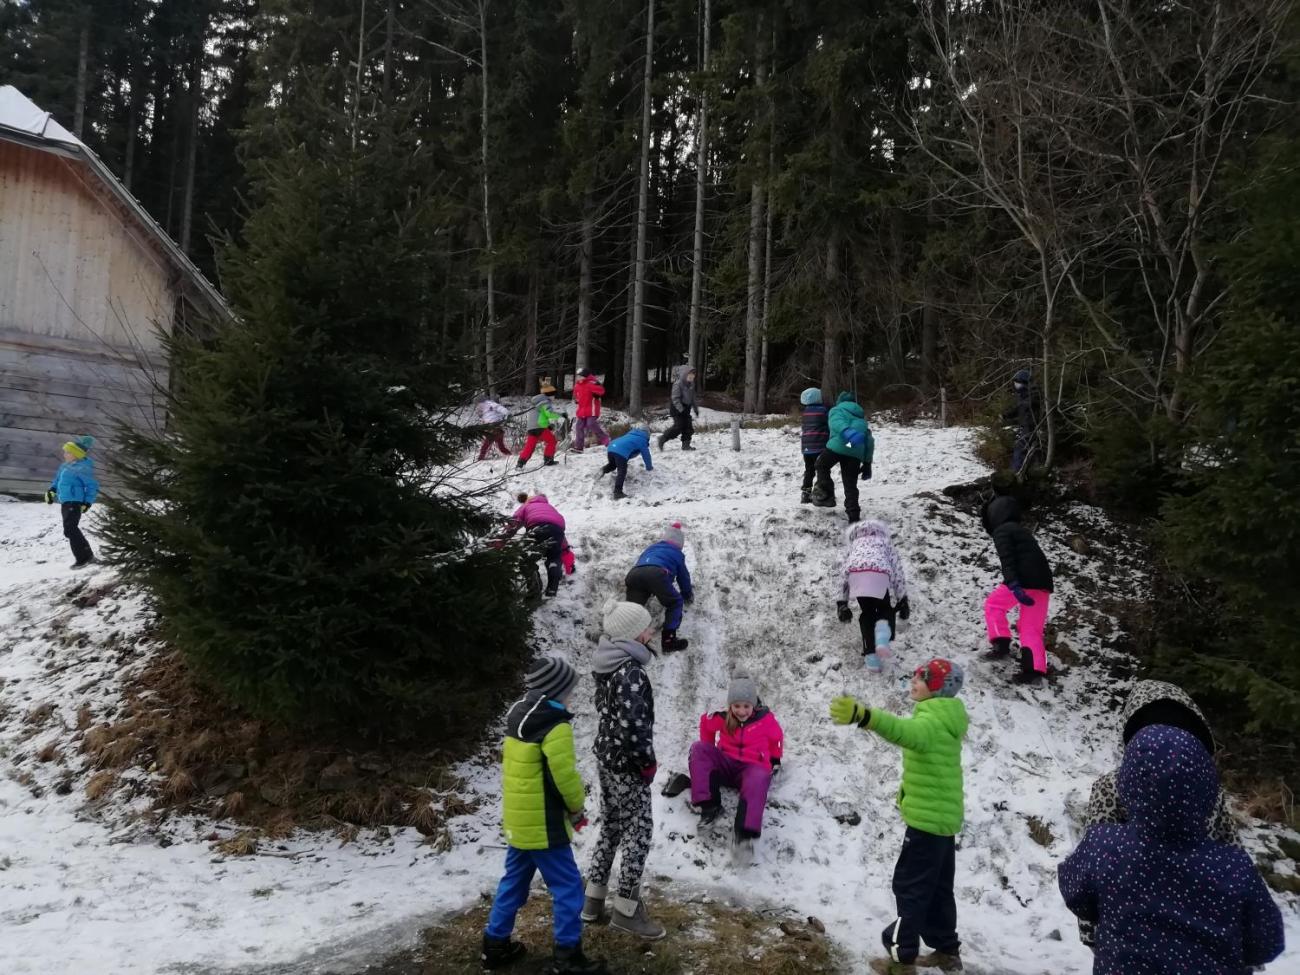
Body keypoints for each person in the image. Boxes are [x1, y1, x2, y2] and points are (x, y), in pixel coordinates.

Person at [1059, 725, 1284, 975]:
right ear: (1206, 788)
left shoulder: (1104, 846)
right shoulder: (1233, 867)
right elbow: (1267, 943)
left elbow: (1075, 895)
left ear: (1127, 784)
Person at [1076, 680, 1241, 949]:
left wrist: (1091, 930)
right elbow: (1230, 857)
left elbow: (1097, 862)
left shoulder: (1112, 787)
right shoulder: (1208, 791)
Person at [830, 659, 968, 975]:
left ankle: (901, 957)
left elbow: (902, 732)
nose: (914, 680)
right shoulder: (946, 719)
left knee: (911, 887)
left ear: (937, 689)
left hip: (926, 823)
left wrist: (865, 716)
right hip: (942, 822)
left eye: (923, 678)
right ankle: (947, 950)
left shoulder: (930, 723)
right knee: (937, 888)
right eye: (916, 675)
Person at [481, 656, 605, 974]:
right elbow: (564, 775)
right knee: (568, 887)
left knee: (513, 881)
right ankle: (568, 957)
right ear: (555, 690)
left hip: (519, 821)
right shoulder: (555, 725)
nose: (571, 696)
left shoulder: (518, 713)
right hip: (545, 824)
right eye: (568, 690)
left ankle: (494, 946)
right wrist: (576, 806)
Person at [583, 600, 665, 940]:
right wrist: (646, 763)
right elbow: (633, 726)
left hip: (606, 757)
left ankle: (592, 899)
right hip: (626, 763)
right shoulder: (631, 672)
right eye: (646, 627)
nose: (650, 632)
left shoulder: (609, 663)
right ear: (633, 635)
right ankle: (627, 910)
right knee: (639, 830)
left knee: (613, 826)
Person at [688, 674, 783, 857]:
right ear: (730, 705)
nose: (741, 711)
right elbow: (705, 725)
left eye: (746, 706)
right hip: (726, 764)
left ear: (753, 705)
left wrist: (775, 759)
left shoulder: (765, 719)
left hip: (751, 768)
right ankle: (710, 807)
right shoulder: (723, 717)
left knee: (760, 776)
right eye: (737, 706)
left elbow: (777, 738)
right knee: (698, 749)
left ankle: (743, 835)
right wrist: (708, 749)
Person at [980, 486, 1053, 684]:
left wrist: (1012, 582)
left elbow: (1007, 559)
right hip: (1043, 583)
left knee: (994, 605)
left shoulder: (1002, 531)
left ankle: (1001, 642)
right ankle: (1035, 669)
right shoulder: (1022, 531)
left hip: (1022, 580)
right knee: (1030, 627)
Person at [835, 521, 911, 672]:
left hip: (856, 575)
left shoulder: (853, 546)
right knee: (884, 608)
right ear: (880, 531)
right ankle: (882, 637)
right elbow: (897, 571)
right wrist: (902, 598)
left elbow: (842, 572)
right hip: (879, 574)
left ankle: (871, 657)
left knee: (868, 613)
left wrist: (841, 603)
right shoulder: (885, 542)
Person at [624, 523, 693, 653]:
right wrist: (687, 594)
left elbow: (643, 563)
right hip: (657, 574)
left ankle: (624, 639)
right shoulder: (677, 553)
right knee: (675, 602)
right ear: (679, 544)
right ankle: (668, 641)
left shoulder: (651, 548)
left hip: (634, 574)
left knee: (632, 610)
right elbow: (684, 577)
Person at [812, 391, 873, 523]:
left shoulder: (836, 410)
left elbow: (836, 423)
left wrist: (847, 431)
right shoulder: (861, 419)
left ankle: (827, 494)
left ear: (840, 401)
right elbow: (869, 441)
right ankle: (854, 517)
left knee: (821, 465)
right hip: (854, 450)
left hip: (839, 445)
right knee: (850, 485)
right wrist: (867, 464)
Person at [500, 493, 572, 597]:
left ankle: (534, 588)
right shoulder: (550, 507)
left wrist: (503, 538)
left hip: (537, 527)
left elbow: (514, 522)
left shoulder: (526, 505)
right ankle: (552, 588)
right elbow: (561, 536)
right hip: (557, 528)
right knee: (554, 557)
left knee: (526, 558)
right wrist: (565, 549)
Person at [45, 435, 99, 569]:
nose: (64, 454)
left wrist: (87, 502)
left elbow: (92, 486)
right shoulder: (65, 466)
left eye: (67, 452)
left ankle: (84, 558)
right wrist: (51, 491)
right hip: (65, 501)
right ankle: (87, 556)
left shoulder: (82, 468)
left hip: (75, 502)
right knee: (70, 529)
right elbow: (57, 480)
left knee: (70, 529)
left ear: (76, 454)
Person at [600, 426, 653, 500]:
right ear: (647, 434)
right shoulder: (642, 439)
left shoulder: (630, 434)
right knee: (622, 471)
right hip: (620, 452)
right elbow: (646, 455)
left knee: (612, 465)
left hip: (611, 447)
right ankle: (617, 492)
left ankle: (600, 472)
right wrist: (649, 467)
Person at [1004, 368, 1040, 473]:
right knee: (1025, 453)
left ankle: (1015, 474)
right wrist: (1005, 415)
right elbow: (1018, 409)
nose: (1015, 385)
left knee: (1020, 452)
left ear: (1023, 383)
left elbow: (1025, 408)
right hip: (1025, 428)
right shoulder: (1023, 396)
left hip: (1031, 429)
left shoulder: (1033, 395)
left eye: (1017, 382)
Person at [517, 382, 560, 469]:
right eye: (553, 394)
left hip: (531, 427)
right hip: (539, 427)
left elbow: (540, 416)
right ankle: (548, 460)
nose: (554, 397)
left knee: (529, 446)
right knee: (552, 441)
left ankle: (520, 463)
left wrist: (548, 426)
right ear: (550, 394)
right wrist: (561, 414)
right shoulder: (545, 402)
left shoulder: (535, 403)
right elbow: (549, 413)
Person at [799, 387, 830, 504]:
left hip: (806, 447)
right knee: (822, 469)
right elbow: (829, 424)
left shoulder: (805, 412)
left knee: (809, 470)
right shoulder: (824, 411)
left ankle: (805, 493)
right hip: (819, 446)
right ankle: (821, 493)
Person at [658, 364, 699, 451]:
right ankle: (662, 439)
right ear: (685, 374)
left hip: (686, 408)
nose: (692, 376)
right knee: (678, 426)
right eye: (690, 374)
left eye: (693, 374)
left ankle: (686, 445)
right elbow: (675, 399)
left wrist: (695, 409)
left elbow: (693, 397)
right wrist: (681, 409)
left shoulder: (691, 384)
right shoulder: (678, 384)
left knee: (688, 427)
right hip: (677, 408)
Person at [572, 368, 610, 452]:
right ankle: (579, 447)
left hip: (592, 409)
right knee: (579, 427)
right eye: (577, 376)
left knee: (591, 424)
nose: (578, 378)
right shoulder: (577, 385)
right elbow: (576, 394)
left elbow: (601, 391)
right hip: (582, 410)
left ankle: (606, 440)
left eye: (580, 376)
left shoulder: (591, 383)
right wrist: (577, 399)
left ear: (585, 376)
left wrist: (598, 385)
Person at [474, 395, 513, 460]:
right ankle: (510, 455)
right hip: (495, 428)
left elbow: (500, 408)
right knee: (501, 446)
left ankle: (480, 458)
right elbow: (482, 415)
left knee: (486, 445)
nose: (477, 405)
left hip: (494, 427)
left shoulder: (490, 404)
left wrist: (507, 413)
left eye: (477, 403)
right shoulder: (483, 407)